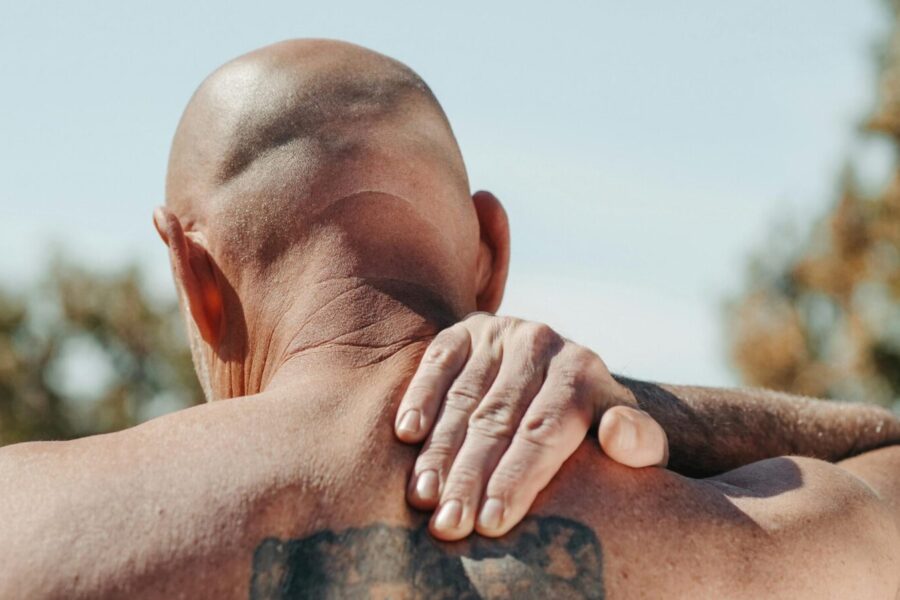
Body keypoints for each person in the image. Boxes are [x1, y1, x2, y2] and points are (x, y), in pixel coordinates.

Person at [0, 39, 898, 598]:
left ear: (193, 273)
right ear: (491, 252)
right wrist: (637, 405)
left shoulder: (27, 521)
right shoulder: (770, 543)